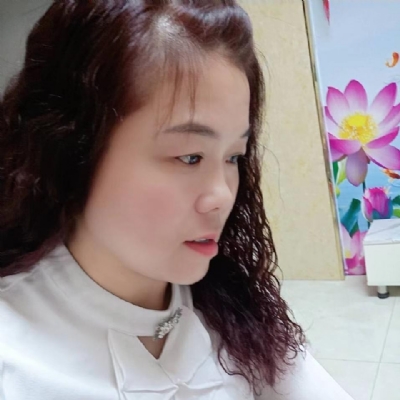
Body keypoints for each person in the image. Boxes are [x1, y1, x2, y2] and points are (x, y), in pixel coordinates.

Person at [0, 1, 354, 399]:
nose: (223, 196)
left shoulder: (232, 304)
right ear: (70, 152)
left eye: (234, 157)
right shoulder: (14, 360)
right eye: (190, 157)